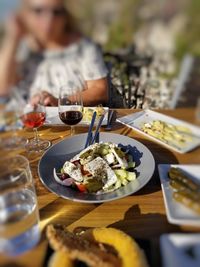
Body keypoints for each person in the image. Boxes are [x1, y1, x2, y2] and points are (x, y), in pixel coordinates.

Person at [0, 0, 109, 106]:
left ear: (66, 16)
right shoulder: (20, 48)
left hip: (70, 122)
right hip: (24, 121)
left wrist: (60, 102)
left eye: (57, 12)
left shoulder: (84, 47)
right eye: (38, 10)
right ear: (25, 14)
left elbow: (100, 91)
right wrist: (13, 37)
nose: (49, 19)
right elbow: (2, 88)